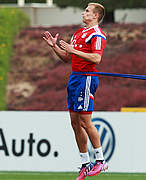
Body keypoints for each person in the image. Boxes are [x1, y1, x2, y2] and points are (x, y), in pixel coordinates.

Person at [43, 3, 108, 180]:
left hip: (86, 79)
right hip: (74, 78)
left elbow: (97, 58)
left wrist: (74, 50)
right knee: (74, 123)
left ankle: (100, 160)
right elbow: (67, 58)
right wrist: (54, 47)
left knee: (86, 121)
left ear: (96, 16)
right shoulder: (78, 33)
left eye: (87, 11)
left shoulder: (97, 35)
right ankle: (85, 163)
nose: (83, 13)